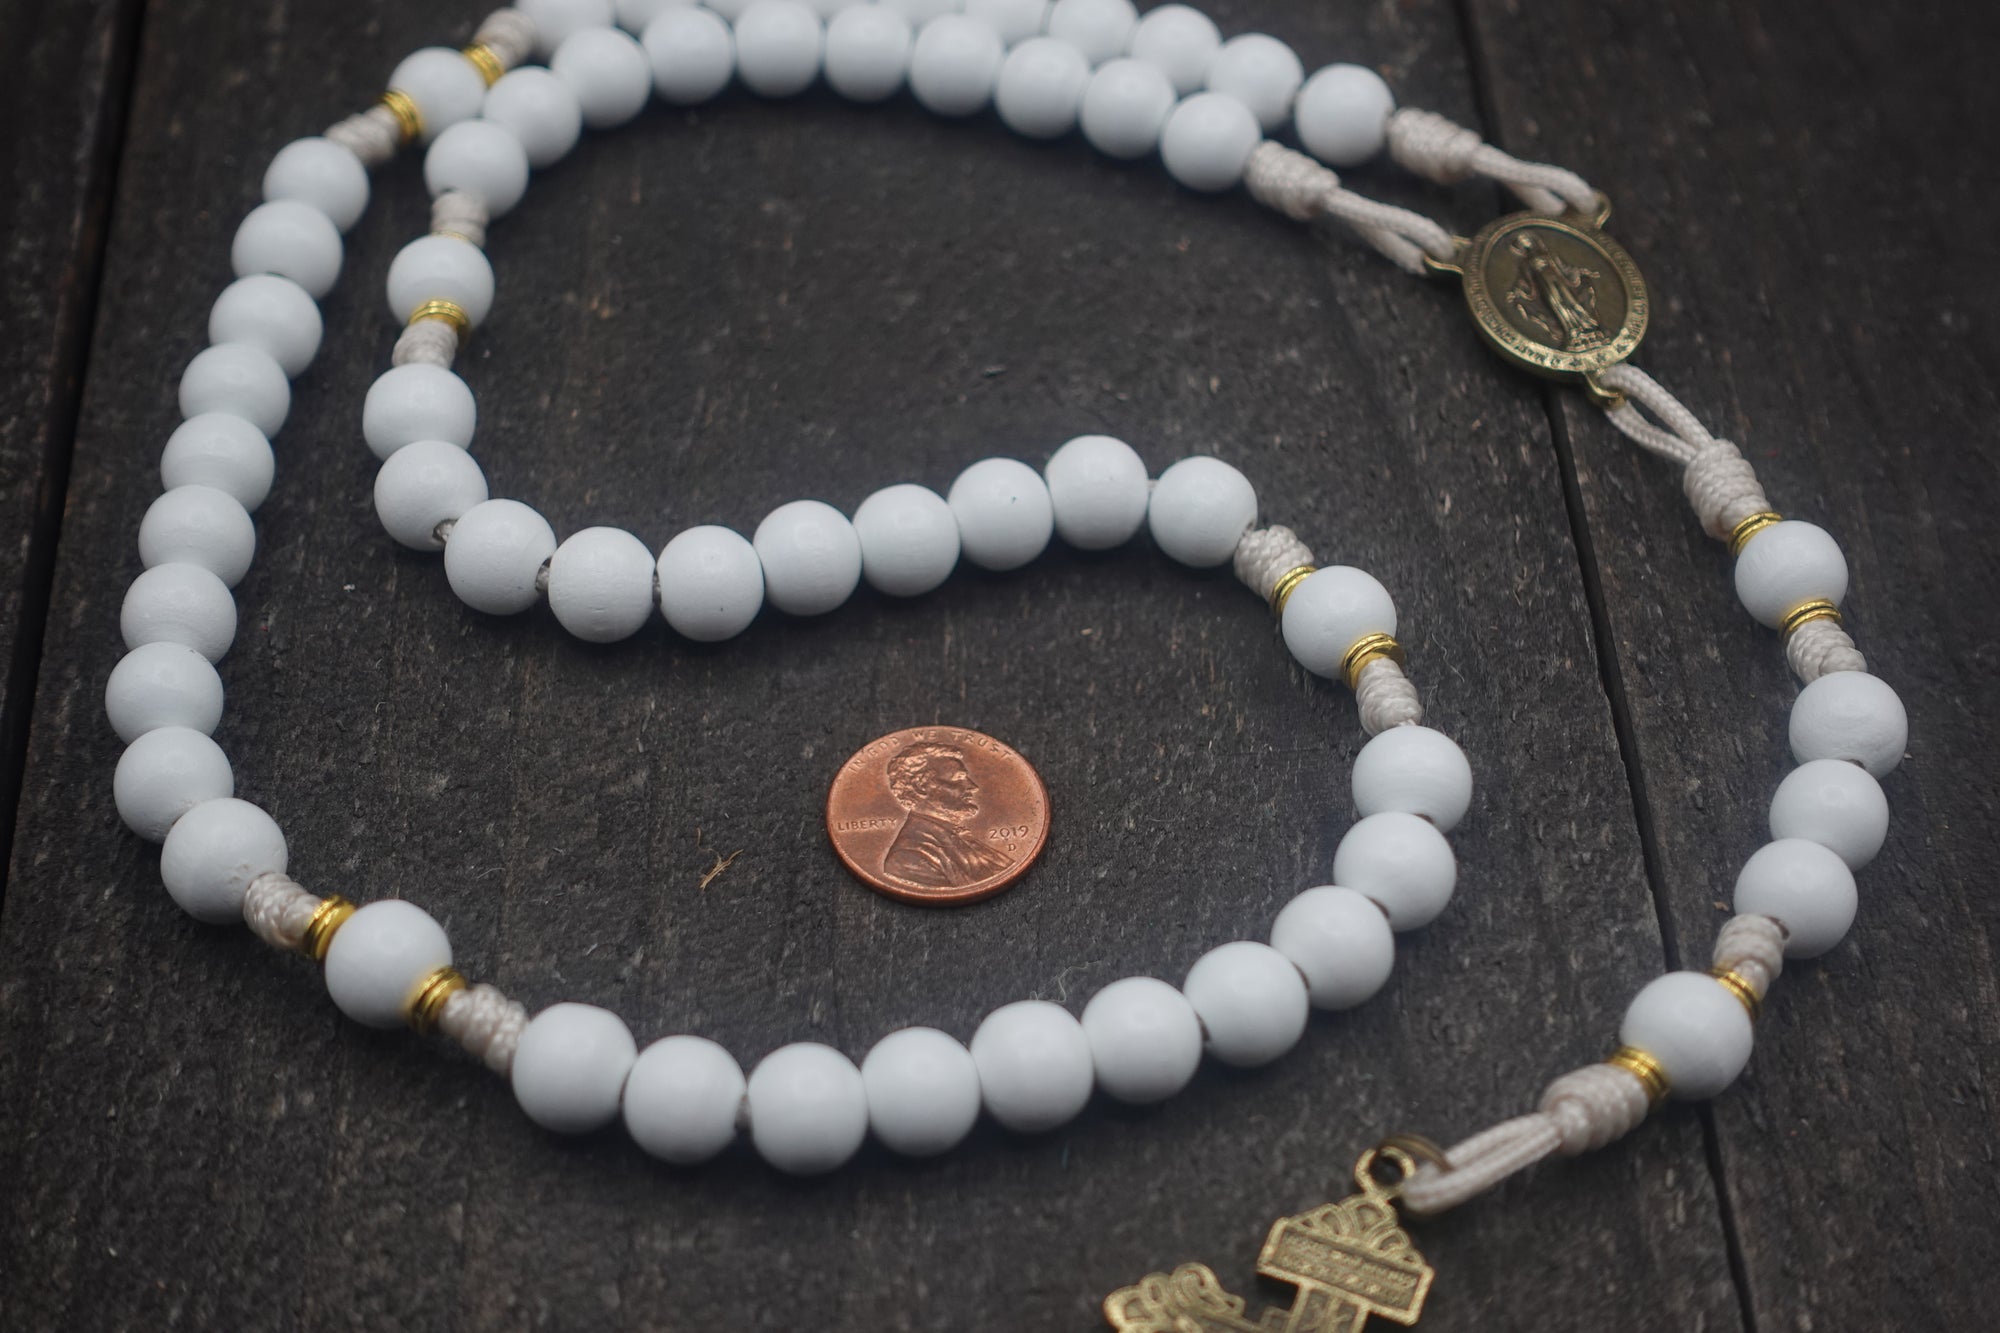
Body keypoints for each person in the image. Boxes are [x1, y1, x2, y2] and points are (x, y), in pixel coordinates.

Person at [880, 742, 1015, 889]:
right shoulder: (909, 857)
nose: (972, 787)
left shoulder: (956, 836)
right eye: (958, 778)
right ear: (921, 786)